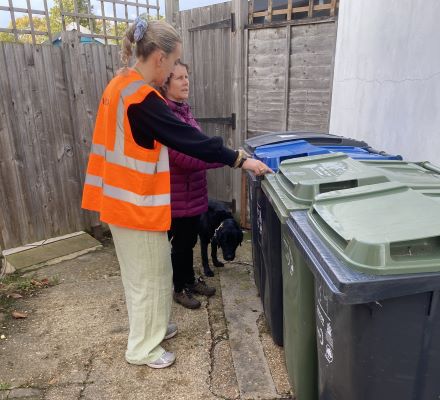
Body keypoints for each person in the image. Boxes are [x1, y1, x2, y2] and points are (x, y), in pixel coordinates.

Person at [81, 17, 272, 369]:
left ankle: (153, 328)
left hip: (122, 200)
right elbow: (189, 141)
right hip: (132, 205)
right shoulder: (142, 98)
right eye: (172, 64)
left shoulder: (120, 84)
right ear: (158, 58)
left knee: (146, 274)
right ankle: (142, 348)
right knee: (149, 277)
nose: (171, 73)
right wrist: (239, 159)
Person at [161, 61, 222, 310]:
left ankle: (188, 279)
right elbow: (184, 157)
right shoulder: (165, 115)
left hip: (194, 194)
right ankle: (179, 288)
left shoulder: (184, 111)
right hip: (177, 194)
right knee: (181, 244)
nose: (186, 82)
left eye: (187, 76)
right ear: (165, 84)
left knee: (190, 241)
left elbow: (199, 143)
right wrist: (226, 158)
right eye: (179, 78)